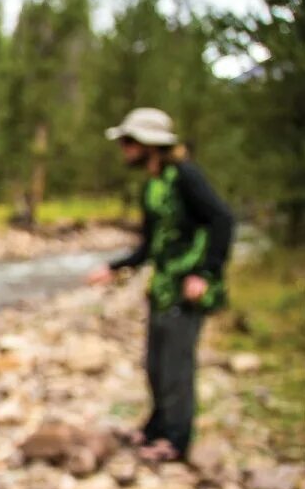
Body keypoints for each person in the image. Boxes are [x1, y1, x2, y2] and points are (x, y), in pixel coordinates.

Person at [87, 107, 234, 463]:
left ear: (149, 144)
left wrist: (205, 272)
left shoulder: (185, 176)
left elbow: (222, 220)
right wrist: (116, 267)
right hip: (163, 286)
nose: (123, 148)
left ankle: (177, 440)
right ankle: (155, 428)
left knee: (177, 365)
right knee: (155, 362)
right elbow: (150, 245)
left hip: (188, 287)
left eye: (128, 141)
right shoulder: (153, 185)